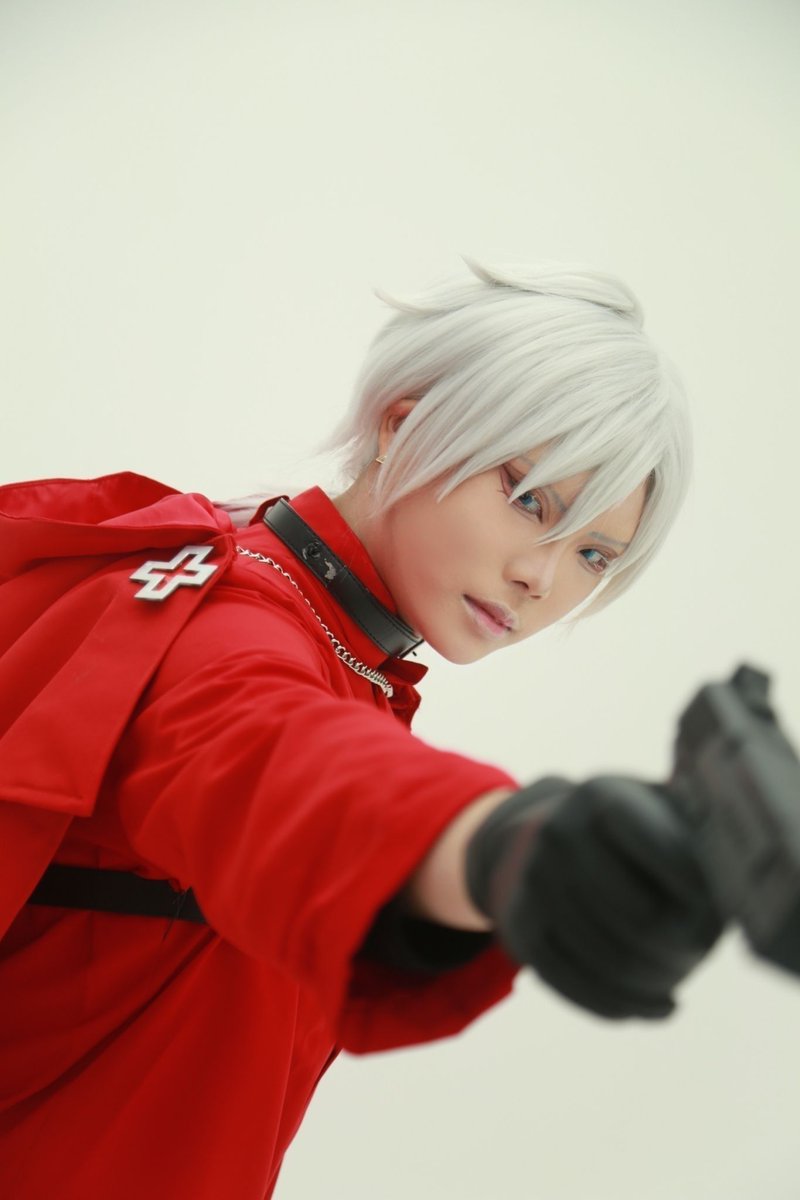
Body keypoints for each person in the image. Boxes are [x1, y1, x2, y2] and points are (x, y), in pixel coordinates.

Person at [0, 261, 721, 1198]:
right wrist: (509, 847)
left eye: (592, 553)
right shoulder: (225, 625)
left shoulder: (341, 652)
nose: (542, 577)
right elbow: (276, 760)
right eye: (529, 500)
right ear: (404, 426)